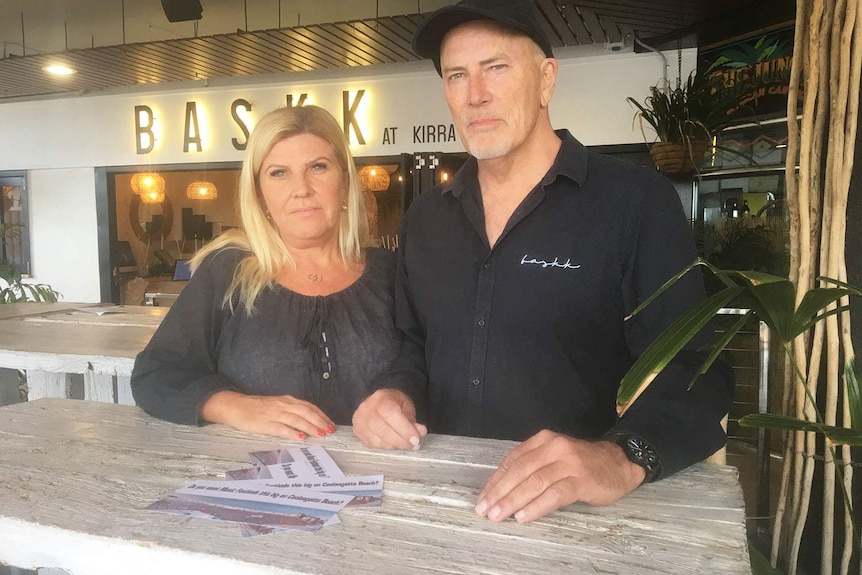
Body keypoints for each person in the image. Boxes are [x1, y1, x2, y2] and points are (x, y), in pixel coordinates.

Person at [352, 0, 734, 524]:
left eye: (497, 68)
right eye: (456, 74)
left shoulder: (635, 202)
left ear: (546, 79)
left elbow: (694, 371)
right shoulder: (426, 219)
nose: (475, 94)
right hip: (442, 504)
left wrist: (619, 458)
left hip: (579, 517)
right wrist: (393, 395)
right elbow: (415, 347)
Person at [131, 105, 399, 440]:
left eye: (318, 167)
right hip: (254, 478)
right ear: (259, 193)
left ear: (344, 182)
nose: (301, 188)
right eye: (278, 173)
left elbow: (425, 372)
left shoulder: (390, 273)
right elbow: (155, 374)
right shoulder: (228, 271)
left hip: (383, 476)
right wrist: (235, 406)